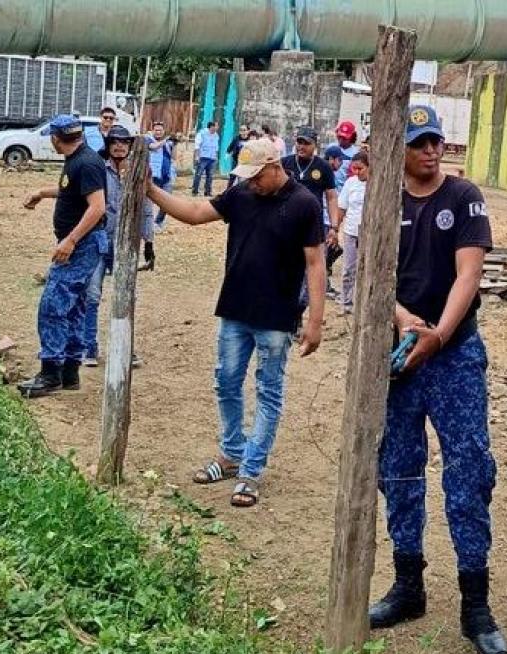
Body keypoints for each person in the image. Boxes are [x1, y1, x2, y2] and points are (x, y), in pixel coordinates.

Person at [367, 105, 507, 654]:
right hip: (400, 354)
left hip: (453, 355)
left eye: (437, 141)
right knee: (399, 468)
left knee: (469, 470)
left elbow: (469, 273)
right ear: (398, 148)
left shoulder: (463, 196)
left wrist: (439, 335)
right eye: (420, 142)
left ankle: (476, 603)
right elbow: (370, 274)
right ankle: (409, 584)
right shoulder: (383, 199)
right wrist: (407, 323)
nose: (432, 150)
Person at [151, 139, 325, 508]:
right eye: (246, 177)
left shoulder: (305, 204)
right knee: (226, 382)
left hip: (276, 318)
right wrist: (150, 190)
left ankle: (251, 471)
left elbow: (315, 264)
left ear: (275, 166)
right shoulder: (241, 194)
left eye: (256, 176)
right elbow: (197, 212)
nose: (251, 183)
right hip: (235, 310)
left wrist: (316, 321)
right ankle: (231, 454)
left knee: (268, 392)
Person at [17, 115, 107, 398]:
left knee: (53, 304)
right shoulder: (79, 160)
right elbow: (73, 192)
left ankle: (50, 373)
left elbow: (97, 207)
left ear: (56, 138)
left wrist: (70, 240)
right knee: (74, 306)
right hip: (84, 244)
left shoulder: (87, 162)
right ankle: (70, 371)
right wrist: (43, 192)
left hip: (82, 245)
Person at [81, 125, 152, 368]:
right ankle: (89, 347)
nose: (120, 146)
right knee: (92, 294)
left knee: (127, 296)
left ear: (130, 146)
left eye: (125, 142)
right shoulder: (98, 170)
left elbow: (145, 208)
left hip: (127, 243)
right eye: (115, 142)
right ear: (108, 144)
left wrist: (149, 241)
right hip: (100, 239)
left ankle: (125, 349)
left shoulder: (137, 173)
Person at [281, 126, 341, 300]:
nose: (301, 146)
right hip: (286, 224)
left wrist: (334, 227)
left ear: (315, 145)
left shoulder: (323, 167)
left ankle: (300, 307)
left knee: (312, 271)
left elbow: (331, 197)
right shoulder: (285, 163)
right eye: (299, 142)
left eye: (306, 143)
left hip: (313, 226)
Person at [336, 150, 369, 314]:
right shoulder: (350, 183)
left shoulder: (378, 183)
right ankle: (346, 302)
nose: (357, 172)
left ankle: (364, 304)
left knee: (368, 271)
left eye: (360, 168)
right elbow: (342, 207)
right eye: (354, 169)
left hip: (370, 234)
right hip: (351, 232)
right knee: (349, 269)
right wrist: (335, 229)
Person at [144, 121, 173, 264]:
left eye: (160, 130)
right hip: (152, 176)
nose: (158, 132)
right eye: (156, 130)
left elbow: (172, 157)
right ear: (152, 130)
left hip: (166, 176)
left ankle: (158, 222)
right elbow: (154, 147)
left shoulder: (167, 144)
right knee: (148, 204)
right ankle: (147, 228)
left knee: (167, 202)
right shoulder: (148, 139)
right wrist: (166, 140)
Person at [192, 121, 220, 197]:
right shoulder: (202, 133)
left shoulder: (216, 135)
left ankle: (207, 192)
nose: (217, 127)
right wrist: (197, 156)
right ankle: (195, 191)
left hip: (212, 158)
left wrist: (216, 156)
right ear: (211, 127)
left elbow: (216, 147)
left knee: (210, 176)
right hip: (203, 157)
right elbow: (197, 145)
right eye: (216, 126)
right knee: (198, 174)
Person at [331, 120, 361, 187]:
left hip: (343, 191)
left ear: (352, 138)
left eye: (344, 138)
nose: (341, 140)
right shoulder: (331, 147)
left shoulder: (355, 154)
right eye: (339, 137)